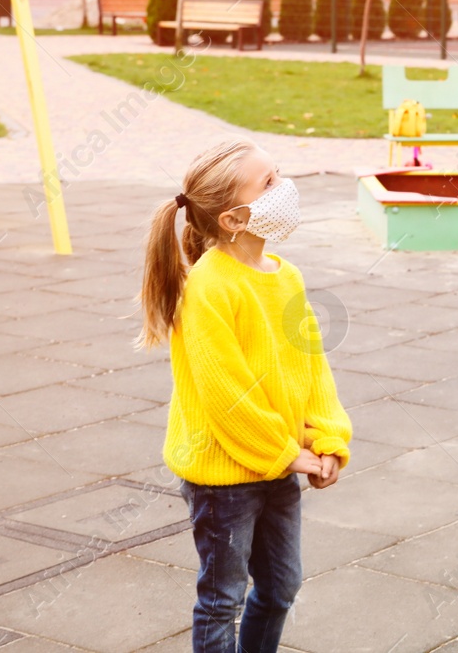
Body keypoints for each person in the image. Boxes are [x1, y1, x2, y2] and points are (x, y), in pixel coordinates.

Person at [137, 139, 351, 652]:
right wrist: (288, 454)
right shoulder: (210, 287)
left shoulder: (287, 276)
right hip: (224, 476)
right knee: (222, 598)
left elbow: (312, 368)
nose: (286, 189)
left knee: (280, 588)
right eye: (270, 184)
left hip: (281, 464)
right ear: (233, 219)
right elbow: (225, 395)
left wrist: (327, 439)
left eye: (279, 175)